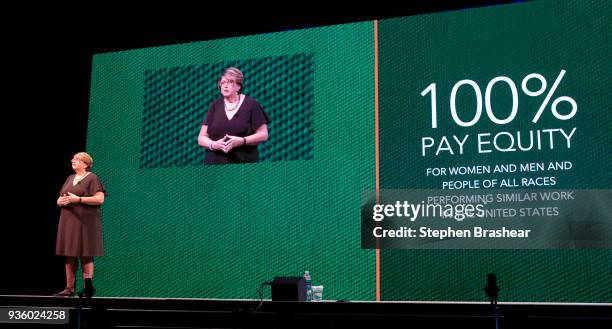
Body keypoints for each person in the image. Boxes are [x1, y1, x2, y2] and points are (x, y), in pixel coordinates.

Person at [53, 152, 106, 297]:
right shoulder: (70, 178)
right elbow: (61, 196)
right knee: (69, 253)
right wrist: (59, 202)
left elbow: (99, 199)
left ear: (85, 163)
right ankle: (69, 288)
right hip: (69, 220)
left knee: (85, 253)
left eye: (77, 159)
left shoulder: (92, 178)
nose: (73, 161)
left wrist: (79, 200)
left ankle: (87, 286)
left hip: (86, 221)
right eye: (73, 159)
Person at [198, 67, 270, 164]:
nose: (225, 86)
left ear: (238, 86)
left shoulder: (251, 104)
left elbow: (263, 134)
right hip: (214, 167)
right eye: (223, 82)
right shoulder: (215, 106)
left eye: (230, 82)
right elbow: (201, 138)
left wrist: (242, 140)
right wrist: (214, 144)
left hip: (243, 166)